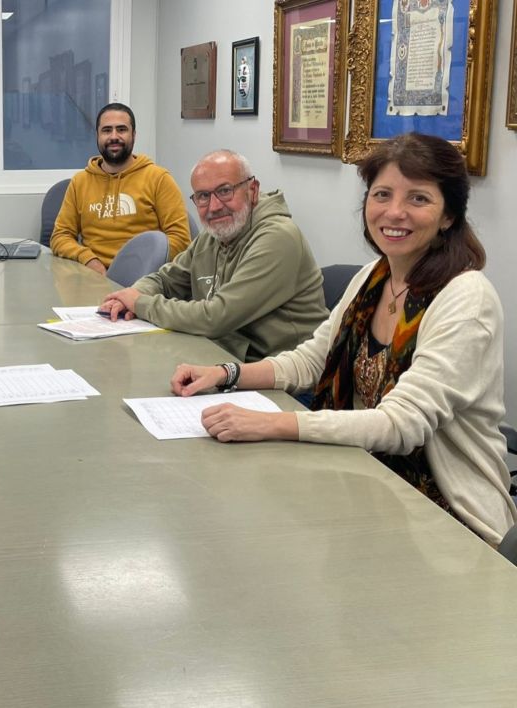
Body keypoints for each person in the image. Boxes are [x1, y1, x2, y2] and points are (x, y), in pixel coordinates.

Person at [170, 133, 516, 545]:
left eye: (419, 199)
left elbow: (400, 425)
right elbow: (311, 360)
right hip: (366, 481)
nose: (395, 212)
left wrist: (270, 423)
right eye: (382, 194)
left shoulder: (465, 297)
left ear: (448, 215)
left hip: (448, 519)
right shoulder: (374, 277)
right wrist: (224, 374)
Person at [99, 149, 327, 362]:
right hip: (224, 359)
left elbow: (216, 317)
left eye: (225, 191)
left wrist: (140, 303)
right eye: (203, 196)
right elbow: (166, 279)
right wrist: (132, 295)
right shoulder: (217, 233)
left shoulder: (278, 237)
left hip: (286, 380)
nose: (214, 206)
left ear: (253, 190)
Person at [49, 102, 192, 274]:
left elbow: (181, 240)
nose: (114, 136)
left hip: (144, 280)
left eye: (122, 129)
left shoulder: (159, 179)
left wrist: (140, 267)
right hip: (94, 277)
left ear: (134, 135)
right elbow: (60, 236)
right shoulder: (80, 182)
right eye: (107, 130)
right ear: (97, 135)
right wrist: (88, 259)